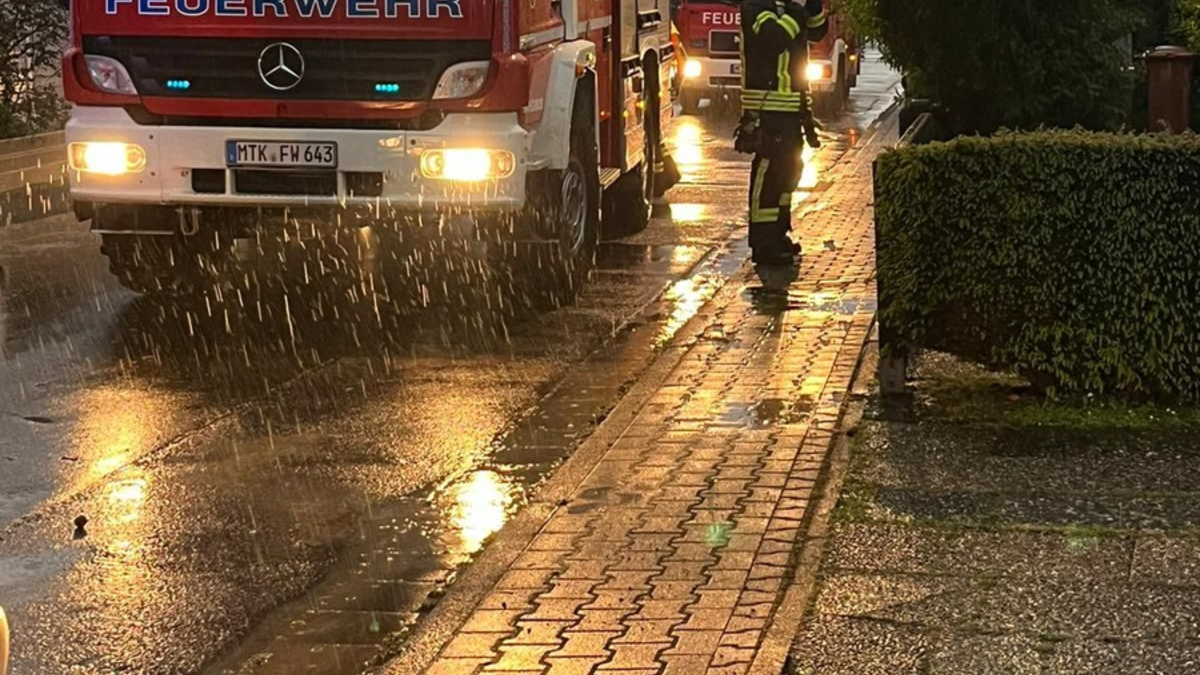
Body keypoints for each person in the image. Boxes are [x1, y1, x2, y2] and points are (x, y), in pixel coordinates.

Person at [738, 0, 828, 266]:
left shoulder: (789, 7)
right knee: (768, 176)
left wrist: (812, 5)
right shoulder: (756, 5)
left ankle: (779, 234)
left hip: (792, 106)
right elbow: (773, 39)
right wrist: (797, 9)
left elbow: (817, 31)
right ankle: (763, 244)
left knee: (789, 172)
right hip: (767, 107)